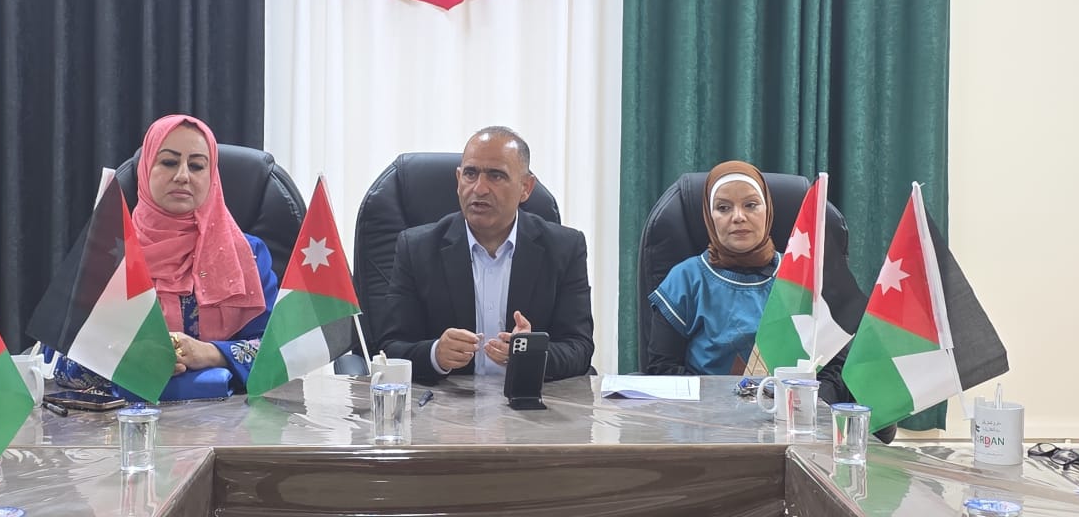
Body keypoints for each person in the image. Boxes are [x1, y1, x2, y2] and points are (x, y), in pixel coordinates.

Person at [645, 160, 894, 442]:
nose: (738, 217)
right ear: (708, 216)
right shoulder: (685, 279)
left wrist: (802, 404)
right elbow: (663, 371)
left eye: (751, 205)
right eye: (723, 208)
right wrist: (729, 404)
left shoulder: (803, 277)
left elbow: (836, 368)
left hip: (798, 431)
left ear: (768, 211)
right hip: (708, 431)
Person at [53, 114, 277, 394]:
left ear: (212, 178)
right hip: (126, 414)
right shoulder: (108, 252)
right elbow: (60, 366)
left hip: (228, 415)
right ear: (146, 169)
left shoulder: (248, 254)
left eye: (197, 166)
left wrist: (210, 353)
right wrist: (122, 358)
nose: (182, 176)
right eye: (169, 162)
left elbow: (277, 353)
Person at [379, 126, 594, 383]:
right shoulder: (416, 248)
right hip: (445, 404)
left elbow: (580, 348)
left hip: (527, 402)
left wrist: (531, 354)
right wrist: (436, 353)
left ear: (526, 188)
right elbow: (390, 348)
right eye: (470, 174)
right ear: (458, 180)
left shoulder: (565, 248)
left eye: (496, 176)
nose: (479, 188)